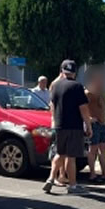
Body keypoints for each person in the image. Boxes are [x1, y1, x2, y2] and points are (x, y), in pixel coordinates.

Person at [43, 61, 92, 194]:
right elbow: (83, 108)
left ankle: (50, 178)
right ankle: (73, 185)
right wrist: (88, 125)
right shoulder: (77, 86)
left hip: (60, 125)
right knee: (71, 157)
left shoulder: (56, 86)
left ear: (62, 71)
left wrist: (54, 120)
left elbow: (52, 105)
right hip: (74, 126)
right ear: (75, 72)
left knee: (59, 153)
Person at [85, 72, 105, 183]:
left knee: (103, 148)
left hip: (103, 124)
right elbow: (82, 107)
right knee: (93, 149)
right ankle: (92, 174)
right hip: (94, 125)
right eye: (98, 79)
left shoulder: (102, 93)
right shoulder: (88, 93)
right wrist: (89, 119)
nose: (101, 82)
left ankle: (104, 172)